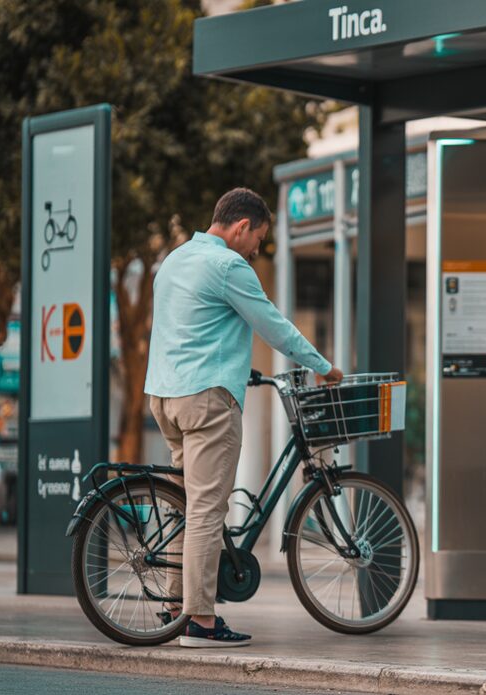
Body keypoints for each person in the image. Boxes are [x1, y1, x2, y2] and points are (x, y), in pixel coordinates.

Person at [145, 187, 343, 647]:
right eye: (258, 239)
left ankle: (176, 604)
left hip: (164, 397)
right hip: (207, 401)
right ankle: (200, 621)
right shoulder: (229, 266)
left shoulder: (174, 259)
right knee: (208, 510)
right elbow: (273, 326)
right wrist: (324, 367)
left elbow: (191, 326)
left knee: (185, 501)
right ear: (240, 227)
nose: (257, 249)